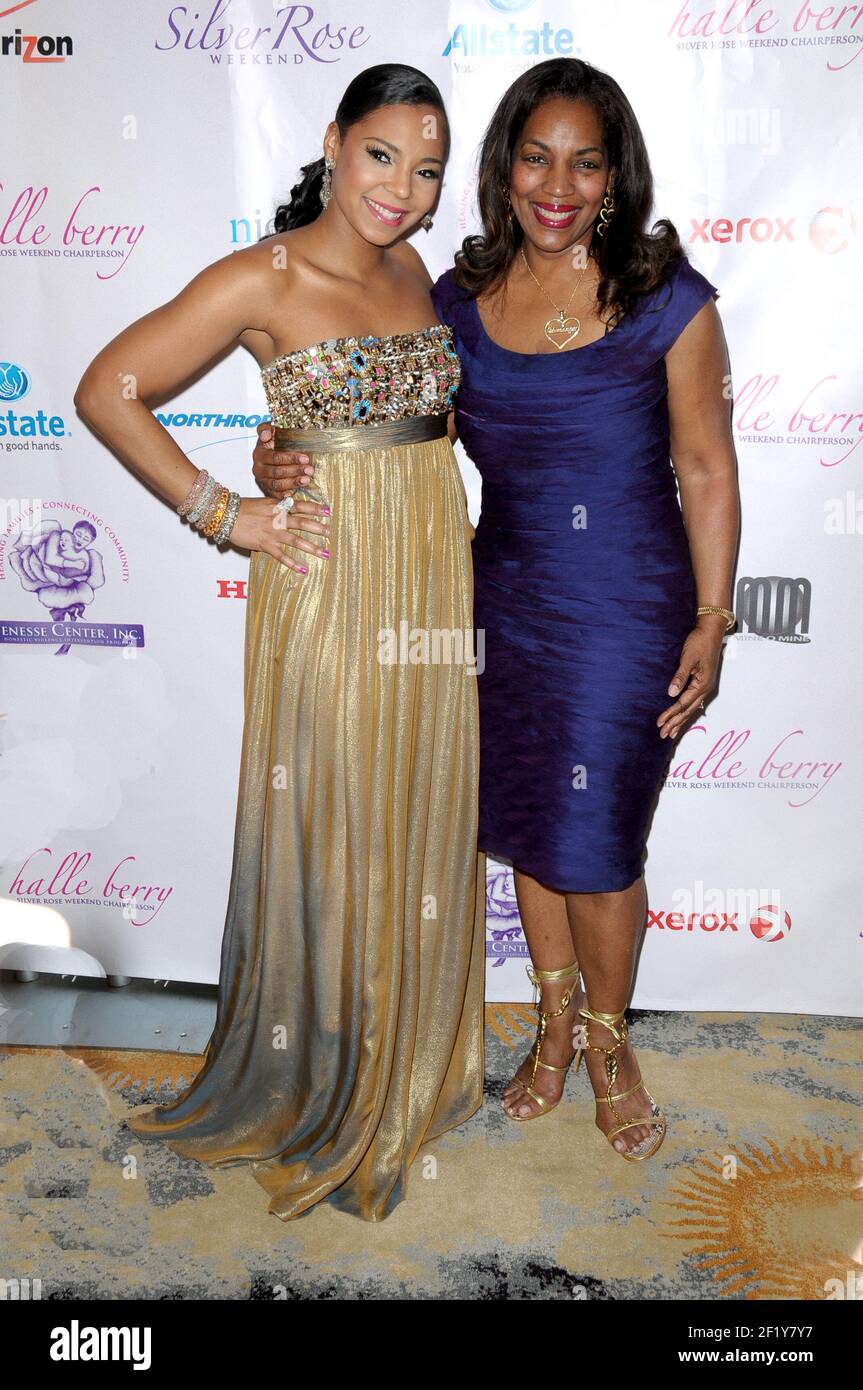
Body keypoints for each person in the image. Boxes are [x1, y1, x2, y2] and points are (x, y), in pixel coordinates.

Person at [253, 57, 739, 1163]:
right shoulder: (453, 303)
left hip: (625, 605)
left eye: (583, 160)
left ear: (613, 174)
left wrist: (710, 619)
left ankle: (610, 1045)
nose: (555, 183)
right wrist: (279, 449)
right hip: (498, 596)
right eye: (534, 156)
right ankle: (553, 1026)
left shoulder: (666, 297)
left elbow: (706, 468)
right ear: (502, 167)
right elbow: (364, 401)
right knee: (527, 815)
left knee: (598, 838)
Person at [74, 63, 486, 1222]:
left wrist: (284, 444)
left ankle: (406, 1060)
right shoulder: (265, 273)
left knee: (410, 802)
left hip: (428, 570)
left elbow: (415, 421)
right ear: (333, 142)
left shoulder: (415, 269)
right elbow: (109, 388)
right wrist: (228, 509)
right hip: (331, 576)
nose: (399, 190)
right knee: (337, 812)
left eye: (424, 171)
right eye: (379, 158)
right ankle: (330, 1075)